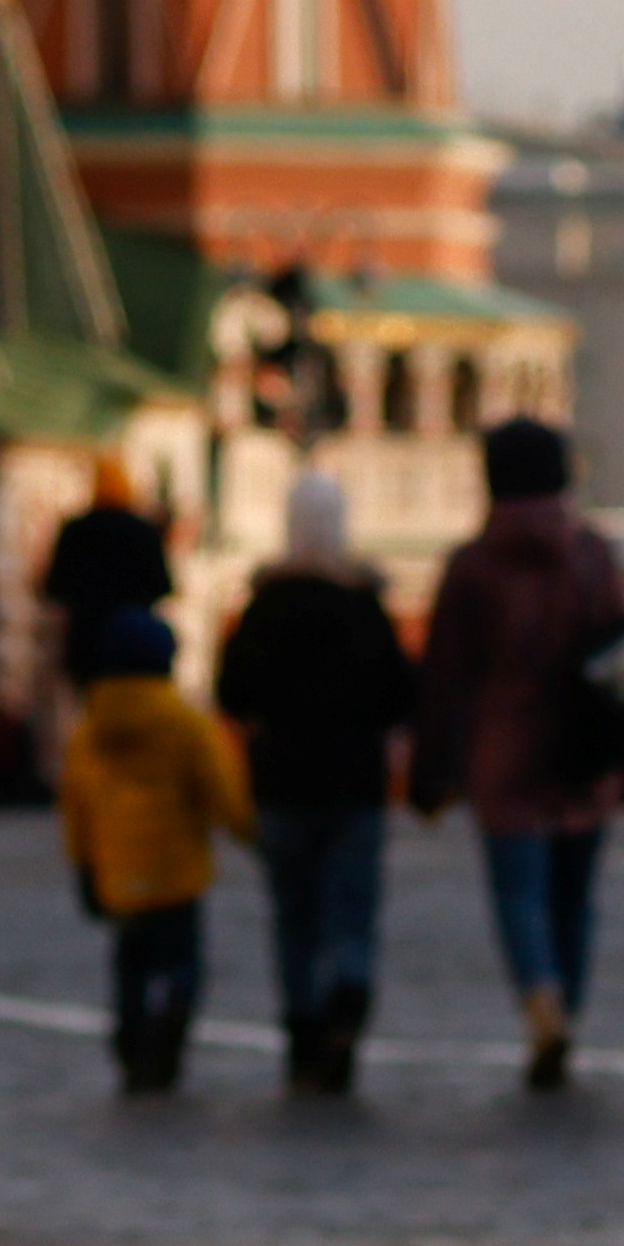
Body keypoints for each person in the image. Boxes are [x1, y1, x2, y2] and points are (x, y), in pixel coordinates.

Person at [409, 411, 624, 1089]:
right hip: (585, 746)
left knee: (520, 894)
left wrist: (432, 767)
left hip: (504, 749)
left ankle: (541, 1000)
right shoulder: (592, 551)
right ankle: (567, 999)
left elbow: (444, 676)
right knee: (575, 893)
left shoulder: (474, 565)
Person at [214, 466, 415, 1090]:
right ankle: (348, 990)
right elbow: (402, 694)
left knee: (294, 913)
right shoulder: (364, 605)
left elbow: (231, 691)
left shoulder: (265, 606)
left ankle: (303, 1028)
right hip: (355, 783)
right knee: (349, 909)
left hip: (282, 781)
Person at [56, 600, 246, 1091]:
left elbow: (76, 804)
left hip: (118, 874)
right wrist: (252, 831)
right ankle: (172, 1029)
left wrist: (84, 865)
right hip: (177, 872)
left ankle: (131, 1042)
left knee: (130, 966)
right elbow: (220, 787)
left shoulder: (89, 728)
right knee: (183, 964)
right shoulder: (185, 721)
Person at [35, 453, 172, 742]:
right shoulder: (143, 531)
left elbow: (55, 587)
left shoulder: (76, 530)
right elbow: (161, 586)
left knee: (93, 719)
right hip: (136, 644)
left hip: (87, 642)